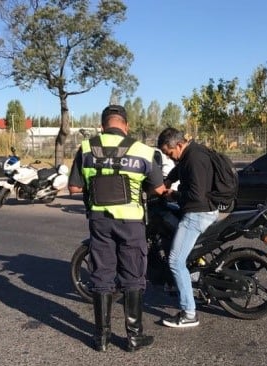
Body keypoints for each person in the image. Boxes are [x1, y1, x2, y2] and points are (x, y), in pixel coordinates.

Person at [68, 105, 166, 352]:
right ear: (126, 125)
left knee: (102, 276)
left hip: (100, 221)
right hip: (131, 222)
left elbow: (74, 189)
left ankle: (101, 338)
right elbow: (159, 189)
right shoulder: (142, 150)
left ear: (102, 126)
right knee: (133, 276)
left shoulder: (86, 149)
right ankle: (133, 337)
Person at [157, 127, 219, 328]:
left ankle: (189, 313)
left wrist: (172, 195)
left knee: (175, 260)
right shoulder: (192, 153)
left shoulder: (193, 159)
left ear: (179, 145)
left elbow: (196, 195)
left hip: (198, 213)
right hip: (203, 210)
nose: (171, 157)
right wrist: (168, 180)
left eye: (170, 153)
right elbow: (179, 168)